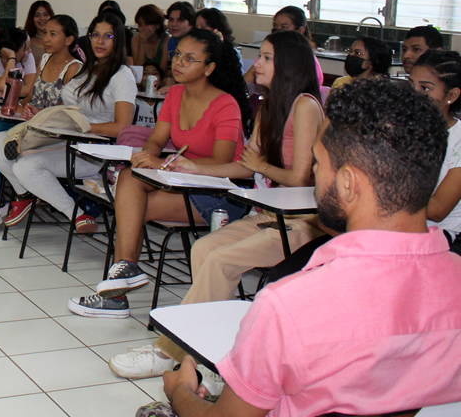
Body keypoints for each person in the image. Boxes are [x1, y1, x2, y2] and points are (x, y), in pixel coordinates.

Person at [153, 78, 461, 417]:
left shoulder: (289, 305)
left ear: (347, 182)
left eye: (317, 163)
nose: (314, 176)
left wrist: (181, 393)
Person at [97, 30, 324, 377]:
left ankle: (168, 350)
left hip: (301, 221)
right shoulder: (268, 105)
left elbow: (304, 178)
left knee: (219, 260)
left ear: (287, 65)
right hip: (266, 212)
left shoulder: (304, 105)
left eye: (265, 58)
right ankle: (213, 348)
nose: (256, 64)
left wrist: (259, 166)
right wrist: (193, 167)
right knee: (203, 250)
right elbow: (244, 166)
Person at [89, 28, 253, 317]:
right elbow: (157, 138)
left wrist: (166, 165)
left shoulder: (226, 104)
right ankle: (123, 276)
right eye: (177, 55)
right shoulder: (175, 95)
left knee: (132, 207)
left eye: (190, 59)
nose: (178, 62)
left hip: (217, 194)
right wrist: (148, 155)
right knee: (129, 177)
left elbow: (221, 162)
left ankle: (116, 294)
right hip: (180, 179)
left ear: (209, 68)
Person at [0, 14, 137, 230]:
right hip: (68, 139)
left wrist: (82, 127)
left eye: (108, 36)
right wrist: (46, 113)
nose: (100, 41)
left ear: (118, 40)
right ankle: (27, 193)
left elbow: (122, 127)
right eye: (95, 35)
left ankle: (75, 213)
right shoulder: (89, 69)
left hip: (95, 152)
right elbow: (72, 108)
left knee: (26, 166)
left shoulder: (122, 75)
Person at [0, 19, 82, 234]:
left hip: (56, 134)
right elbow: (31, 97)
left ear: (69, 39)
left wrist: (39, 113)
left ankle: (58, 206)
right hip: (33, 127)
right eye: (45, 33)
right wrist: (23, 107)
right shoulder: (45, 60)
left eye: (53, 34)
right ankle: (26, 194)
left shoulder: (74, 68)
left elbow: (69, 113)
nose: (46, 38)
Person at [412, 50, 461, 251]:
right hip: (392, 229)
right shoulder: (402, 129)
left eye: (425, 88)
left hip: (437, 237)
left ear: (452, 95)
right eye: (410, 85)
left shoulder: (458, 139)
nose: (414, 95)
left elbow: (437, 209)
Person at [246, 6, 323, 85]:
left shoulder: (306, 61)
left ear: (300, 31)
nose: (278, 31)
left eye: (284, 27)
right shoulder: (270, 55)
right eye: (275, 26)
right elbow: (245, 83)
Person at [160, 1, 195, 88]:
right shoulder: (172, 41)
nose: (174, 24)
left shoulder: (197, 44)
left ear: (191, 24)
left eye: (180, 20)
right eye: (171, 20)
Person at [131, 4, 170, 74]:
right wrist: (142, 43)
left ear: (158, 25)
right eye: (140, 24)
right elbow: (138, 72)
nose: (143, 28)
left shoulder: (167, 39)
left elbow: (162, 71)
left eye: (147, 24)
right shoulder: (135, 40)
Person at [23, 0, 54, 64]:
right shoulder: (25, 42)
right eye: (37, 15)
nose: (42, 18)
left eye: (46, 14)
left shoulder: (59, 40)